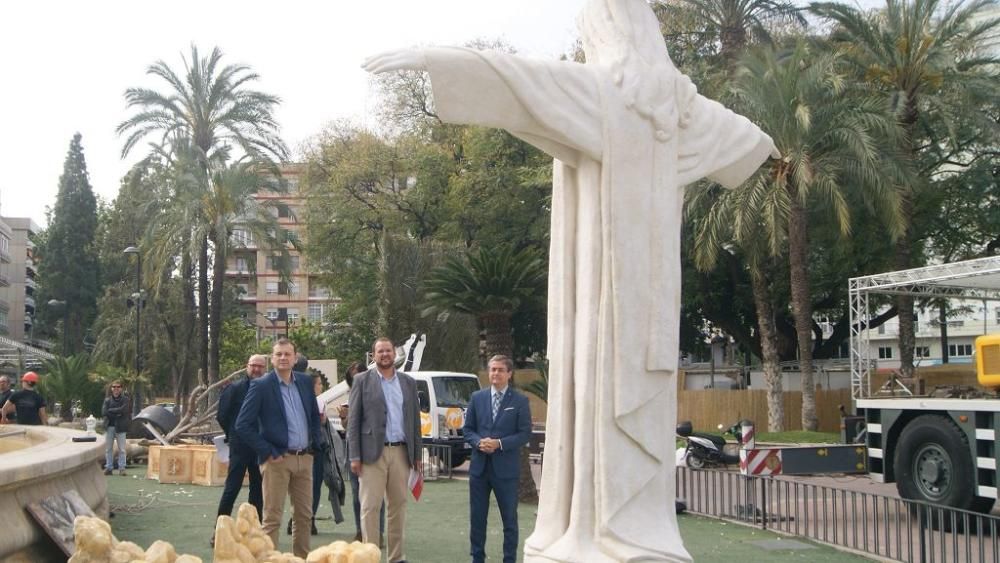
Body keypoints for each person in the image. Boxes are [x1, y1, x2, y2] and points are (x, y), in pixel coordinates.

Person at [363, 1, 776, 559]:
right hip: (607, 299)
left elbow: (520, 82)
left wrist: (430, 58)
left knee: (623, 395)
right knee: (601, 395)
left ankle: (631, 528)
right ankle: (604, 525)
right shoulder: (648, 102)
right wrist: (434, 60)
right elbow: (520, 81)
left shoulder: (651, 102)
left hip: (641, 301)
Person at [236, 339, 323, 557]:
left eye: (287, 354)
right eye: (278, 354)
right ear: (272, 359)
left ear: (295, 358)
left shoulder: (304, 382)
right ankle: (270, 560)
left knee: (304, 516)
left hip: (304, 458)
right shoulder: (261, 385)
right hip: (277, 460)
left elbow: (314, 416)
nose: (283, 358)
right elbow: (242, 425)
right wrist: (266, 451)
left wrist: (314, 443)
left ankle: (301, 559)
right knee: (272, 517)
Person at [347, 337, 422, 563]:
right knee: (370, 507)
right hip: (371, 455)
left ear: (394, 354)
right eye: (380, 351)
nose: (385, 354)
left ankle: (396, 557)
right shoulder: (362, 380)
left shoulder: (408, 382)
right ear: (374, 355)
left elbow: (415, 422)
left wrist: (417, 455)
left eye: (388, 350)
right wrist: (355, 456)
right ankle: (370, 557)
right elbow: (353, 421)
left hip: (401, 453)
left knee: (398, 506)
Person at [464, 355, 532, 563]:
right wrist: (478, 442)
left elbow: (524, 433)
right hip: (479, 470)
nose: (495, 373)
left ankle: (509, 559)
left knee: (509, 520)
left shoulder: (520, 401)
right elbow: (468, 430)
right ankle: (477, 558)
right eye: (493, 369)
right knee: (477, 519)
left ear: (509, 374)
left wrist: (499, 443)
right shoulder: (477, 397)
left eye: (500, 370)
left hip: (506, 471)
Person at [214, 354, 267, 534]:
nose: (257, 369)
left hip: (259, 447)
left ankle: (256, 531)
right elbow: (222, 415)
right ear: (247, 366)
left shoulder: (267, 389)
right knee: (232, 488)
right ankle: (220, 530)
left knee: (258, 490)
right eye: (254, 366)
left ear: (265, 369)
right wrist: (233, 435)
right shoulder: (234, 389)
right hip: (239, 447)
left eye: (260, 366)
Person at [338, 362, 385, 544]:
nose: (356, 379)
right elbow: (348, 427)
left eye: (359, 375)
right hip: (354, 450)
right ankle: (360, 530)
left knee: (376, 494)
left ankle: (378, 532)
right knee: (357, 494)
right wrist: (344, 417)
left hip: (372, 449)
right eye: (353, 377)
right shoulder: (350, 396)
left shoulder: (376, 393)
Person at [102, 381, 132, 476]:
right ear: (111, 389)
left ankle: (122, 468)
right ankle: (109, 468)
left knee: (122, 449)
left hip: (121, 427)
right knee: (108, 449)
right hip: (109, 426)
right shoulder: (107, 400)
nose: (116, 389)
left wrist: (111, 410)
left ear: (121, 388)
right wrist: (117, 412)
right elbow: (104, 412)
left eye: (118, 387)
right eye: (114, 387)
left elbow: (125, 410)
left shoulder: (126, 400)